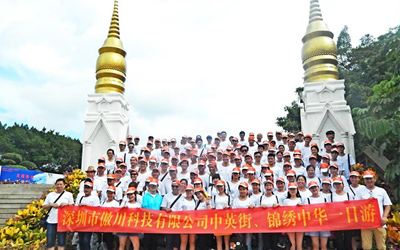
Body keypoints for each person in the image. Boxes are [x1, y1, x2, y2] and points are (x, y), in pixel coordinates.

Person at [359, 170, 392, 250]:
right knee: (366, 246)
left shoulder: (381, 191)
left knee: (381, 246)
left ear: (374, 179)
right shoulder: (360, 191)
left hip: (379, 221)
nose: (369, 180)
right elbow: (356, 206)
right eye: (367, 179)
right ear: (364, 180)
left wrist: (384, 217)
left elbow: (387, 205)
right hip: (365, 222)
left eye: (370, 178)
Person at [43, 178, 74, 250]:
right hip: (51, 221)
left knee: (62, 242)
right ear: (55, 186)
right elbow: (44, 206)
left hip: (63, 222)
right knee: (50, 242)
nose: (59, 186)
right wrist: (52, 205)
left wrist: (66, 205)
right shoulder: (50, 195)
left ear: (64, 185)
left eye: (61, 184)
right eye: (57, 184)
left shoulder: (69, 195)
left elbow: (72, 207)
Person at [330, 176, 354, 250]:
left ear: (342, 185)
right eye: (336, 184)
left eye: (339, 184)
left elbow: (353, 206)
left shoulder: (348, 195)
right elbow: (328, 207)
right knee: (338, 239)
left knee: (348, 238)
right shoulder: (331, 195)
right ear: (333, 186)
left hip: (347, 219)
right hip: (336, 220)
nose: (337, 186)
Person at [75, 182, 100, 250]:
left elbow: (97, 209)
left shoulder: (95, 198)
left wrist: (86, 206)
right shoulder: (81, 197)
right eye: (85, 188)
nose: (86, 189)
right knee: (81, 241)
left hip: (89, 222)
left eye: (88, 188)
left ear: (91, 189)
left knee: (86, 240)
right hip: (81, 221)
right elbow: (75, 208)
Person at [306, 181, 330, 250]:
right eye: (312, 188)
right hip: (313, 224)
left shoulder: (325, 198)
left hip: (324, 224)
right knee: (315, 245)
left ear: (318, 187)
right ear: (310, 190)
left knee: (324, 245)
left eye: (315, 187)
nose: (314, 189)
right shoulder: (307, 199)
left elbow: (329, 210)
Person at [258, 180, 280, 250]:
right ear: (264, 187)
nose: (268, 187)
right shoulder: (261, 197)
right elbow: (256, 210)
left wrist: (277, 206)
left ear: (273, 187)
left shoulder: (276, 197)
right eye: (267, 185)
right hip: (265, 224)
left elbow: (282, 209)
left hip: (274, 223)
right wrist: (261, 207)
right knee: (266, 243)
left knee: (275, 242)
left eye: (270, 185)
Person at [142, 177, 163, 250]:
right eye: (152, 185)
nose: (153, 187)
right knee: (147, 241)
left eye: (155, 186)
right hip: (148, 221)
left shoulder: (160, 197)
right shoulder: (145, 196)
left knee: (155, 241)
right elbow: (145, 207)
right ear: (149, 186)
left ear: (157, 186)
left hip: (156, 222)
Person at [231, 182, 254, 250]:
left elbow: (255, 213)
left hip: (248, 224)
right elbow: (233, 212)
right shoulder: (235, 200)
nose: (242, 191)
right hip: (239, 224)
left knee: (248, 243)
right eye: (240, 189)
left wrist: (252, 208)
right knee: (239, 243)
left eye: (244, 189)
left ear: (247, 190)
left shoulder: (250, 200)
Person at [161, 179, 183, 250]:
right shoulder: (167, 196)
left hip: (179, 222)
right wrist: (166, 209)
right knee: (169, 241)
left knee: (177, 242)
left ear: (179, 187)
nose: (174, 188)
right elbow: (162, 207)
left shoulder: (183, 196)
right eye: (173, 186)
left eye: (176, 186)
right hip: (169, 222)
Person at [212, 180, 232, 250]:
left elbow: (232, 209)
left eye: (221, 186)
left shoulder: (229, 197)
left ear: (224, 187)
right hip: (217, 220)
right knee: (219, 241)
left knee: (226, 241)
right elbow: (213, 208)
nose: (220, 188)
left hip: (226, 220)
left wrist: (228, 208)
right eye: (218, 186)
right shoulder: (214, 197)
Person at [282, 183, 303, 250]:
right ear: (288, 190)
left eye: (294, 189)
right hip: (289, 223)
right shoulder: (285, 201)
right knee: (292, 244)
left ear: (297, 190)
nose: (293, 190)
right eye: (291, 189)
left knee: (299, 244)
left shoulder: (301, 200)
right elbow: (283, 213)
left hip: (299, 223)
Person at [101, 186, 120, 250]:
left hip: (111, 226)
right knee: (104, 243)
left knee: (110, 244)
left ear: (114, 194)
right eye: (108, 193)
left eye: (111, 193)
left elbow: (116, 215)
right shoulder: (103, 203)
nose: (110, 195)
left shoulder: (116, 203)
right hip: (103, 226)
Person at [180, 185, 197, 250]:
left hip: (193, 223)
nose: (189, 192)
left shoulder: (196, 200)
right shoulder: (182, 200)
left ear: (193, 191)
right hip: (184, 222)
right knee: (183, 242)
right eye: (187, 190)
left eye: (190, 190)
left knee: (192, 242)